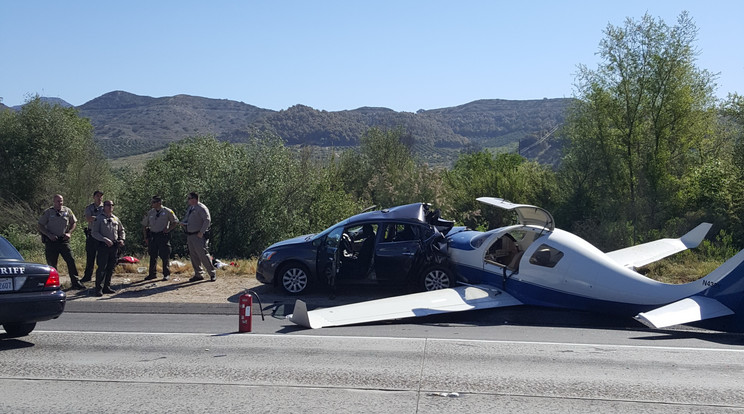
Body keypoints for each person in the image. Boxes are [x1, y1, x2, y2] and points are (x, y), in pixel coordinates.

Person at [38, 194, 86, 290]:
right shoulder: (48, 212)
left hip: (63, 240)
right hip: (51, 241)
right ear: (54, 202)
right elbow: (40, 225)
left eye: (61, 201)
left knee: (71, 260)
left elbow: (73, 223)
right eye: (58, 201)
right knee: (52, 264)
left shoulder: (67, 211)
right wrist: (48, 234)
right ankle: (53, 284)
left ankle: (75, 282)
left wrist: (69, 233)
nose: (60, 203)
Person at [91, 200, 126, 297]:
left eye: (112, 205)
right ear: (104, 207)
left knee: (111, 267)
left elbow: (121, 230)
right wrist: (104, 239)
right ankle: (98, 288)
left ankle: (107, 286)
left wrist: (122, 239)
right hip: (103, 246)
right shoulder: (99, 218)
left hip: (114, 246)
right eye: (108, 205)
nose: (110, 207)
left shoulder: (115, 218)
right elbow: (94, 233)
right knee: (102, 267)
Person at [141, 195, 179, 281]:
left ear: (159, 203)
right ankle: (152, 274)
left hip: (162, 236)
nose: (152, 204)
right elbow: (144, 225)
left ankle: (166, 274)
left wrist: (168, 229)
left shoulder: (168, 211)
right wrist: (145, 237)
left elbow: (175, 222)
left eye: (154, 202)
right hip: (153, 236)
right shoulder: (150, 212)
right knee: (152, 255)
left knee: (165, 255)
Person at [181, 192, 216, 282]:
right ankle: (198, 274)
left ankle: (212, 273)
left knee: (203, 254)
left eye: (189, 198)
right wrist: (182, 223)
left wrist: (202, 232)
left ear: (194, 199)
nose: (188, 200)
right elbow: (187, 219)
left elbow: (207, 220)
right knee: (193, 255)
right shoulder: (190, 208)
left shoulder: (201, 208)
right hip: (190, 235)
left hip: (198, 235)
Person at [80, 190, 104, 283]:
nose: (99, 198)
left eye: (101, 196)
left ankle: (100, 277)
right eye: (97, 196)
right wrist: (99, 218)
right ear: (94, 197)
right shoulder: (89, 207)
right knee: (90, 256)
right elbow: (88, 218)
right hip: (91, 234)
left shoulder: (105, 207)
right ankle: (87, 276)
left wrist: (95, 218)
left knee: (101, 257)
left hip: (101, 235)